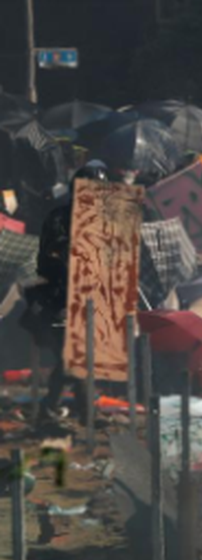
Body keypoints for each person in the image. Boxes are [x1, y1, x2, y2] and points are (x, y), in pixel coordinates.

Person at [21, 161, 109, 426]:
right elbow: (50, 261)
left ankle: (51, 406)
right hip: (57, 301)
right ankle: (86, 414)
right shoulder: (59, 219)